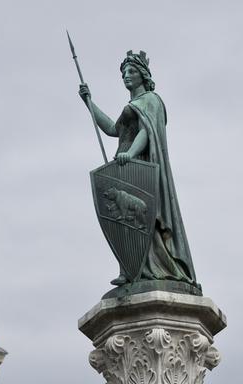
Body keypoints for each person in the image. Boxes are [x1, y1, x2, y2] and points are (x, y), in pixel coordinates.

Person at [79, 50, 196, 287]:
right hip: (126, 163)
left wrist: (130, 154)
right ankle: (132, 268)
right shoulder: (131, 104)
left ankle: (158, 267)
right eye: (123, 73)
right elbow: (113, 129)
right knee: (126, 221)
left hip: (141, 163)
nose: (126, 76)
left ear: (143, 74)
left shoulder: (151, 101)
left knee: (144, 217)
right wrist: (89, 103)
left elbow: (146, 131)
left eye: (131, 71)